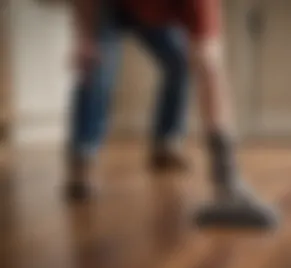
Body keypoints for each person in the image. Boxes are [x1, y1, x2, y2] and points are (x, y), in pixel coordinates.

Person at [67, 0, 277, 228]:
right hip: (110, 6)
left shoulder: (200, 4)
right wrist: (86, 38)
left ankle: (165, 144)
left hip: (155, 14)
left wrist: (225, 172)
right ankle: (83, 157)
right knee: (97, 64)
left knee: (181, 61)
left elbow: (209, 66)